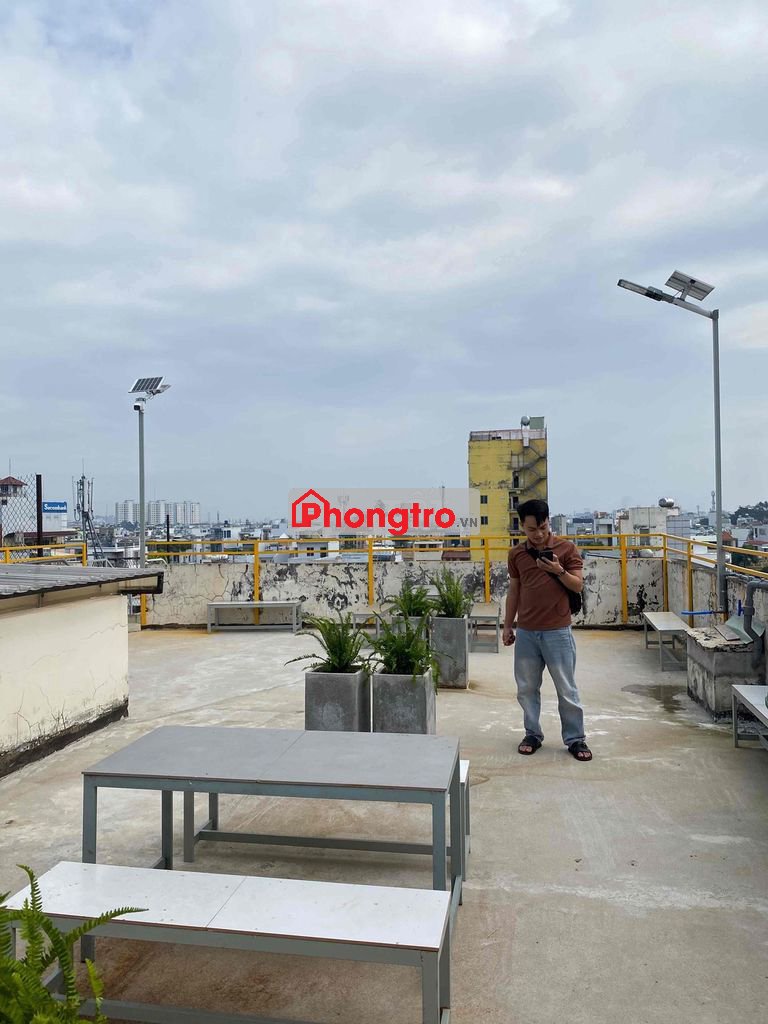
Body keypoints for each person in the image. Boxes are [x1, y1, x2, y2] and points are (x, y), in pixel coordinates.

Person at [502, 498, 592, 761]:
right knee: (526, 688)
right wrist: (508, 625)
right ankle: (532, 734)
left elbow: (578, 585)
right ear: (522, 526)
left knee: (567, 688)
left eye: (542, 527)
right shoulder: (516, 554)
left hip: (558, 631)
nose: (539, 534)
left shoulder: (567, 549)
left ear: (548, 522)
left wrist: (558, 570)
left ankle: (575, 739)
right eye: (532, 529)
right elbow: (514, 590)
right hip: (527, 632)